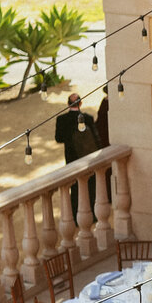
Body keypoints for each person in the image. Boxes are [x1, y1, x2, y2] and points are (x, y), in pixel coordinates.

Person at [55, 93, 98, 221]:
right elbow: (95, 139)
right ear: (80, 103)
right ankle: (93, 214)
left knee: (75, 187)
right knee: (90, 185)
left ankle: (75, 214)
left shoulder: (61, 119)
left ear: (68, 104)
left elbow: (58, 138)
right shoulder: (88, 118)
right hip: (87, 157)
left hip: (71, 157)